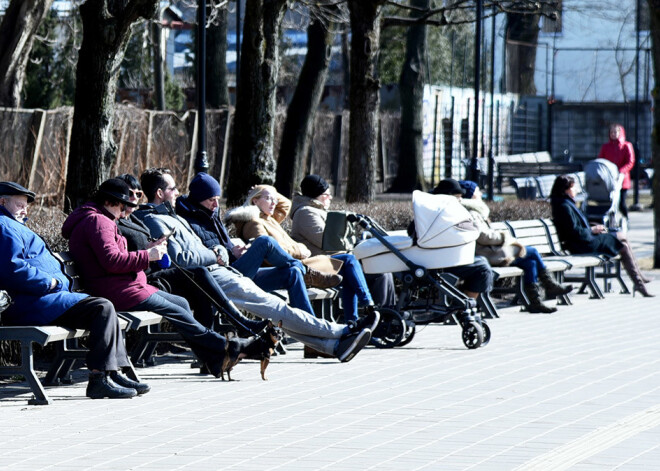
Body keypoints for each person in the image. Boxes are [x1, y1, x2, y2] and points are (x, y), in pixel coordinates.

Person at [133, 168, 377, 362]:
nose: (178, 192)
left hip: (221, 272)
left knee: (275, 309)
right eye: (172, 188)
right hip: (212, 278)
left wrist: (219, 253)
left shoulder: (172, 215)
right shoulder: (157, 221)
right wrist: (216, 254)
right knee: (276, 308)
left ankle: (333, 346)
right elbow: (182, 261)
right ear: (159, 193)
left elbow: (199, 250)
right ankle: (341, 332)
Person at [62, 178, 241, 378]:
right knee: (176, 309)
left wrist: (147, 251)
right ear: (110, 202)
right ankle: (222, 345)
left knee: (181, 303)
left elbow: (112, 256)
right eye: (122, 206)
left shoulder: (99, 218)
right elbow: (112, 261)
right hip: (118, 291)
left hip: (125, 285)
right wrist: (148, 256)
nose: (123, 213)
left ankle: (215, 361)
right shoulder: (99, 222)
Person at [0, 181, 148, 399]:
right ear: (2, 202)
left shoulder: (12, 224)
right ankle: (99, 379)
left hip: (46, 300)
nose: (25, 209)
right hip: (31, 303)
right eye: (20, 204)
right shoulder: (4, 226)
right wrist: (50, 283)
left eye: (26, 205)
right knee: (102, 307)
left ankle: (113, 372)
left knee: (104, 308)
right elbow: (13, 269)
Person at [115, 173, 267, 338]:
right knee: (200, 277)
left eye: (138, 194)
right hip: (147, 280)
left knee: (200, 280)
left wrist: (217, 251)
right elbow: (177, 259)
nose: (134, 198)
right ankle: (223, 337)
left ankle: (214, 348)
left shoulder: (144, 219)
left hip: (157, 275)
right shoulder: (147, 219)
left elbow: (198, 246)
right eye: (130, 194)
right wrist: (214, 254)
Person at [175, 173, 340, 318]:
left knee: (293, 272)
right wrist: (227, 252)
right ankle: (308, 273)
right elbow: (203, 254)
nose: (216, 205)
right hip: (222, 277)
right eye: (212, 200)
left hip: (234, 268)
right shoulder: (189, 222)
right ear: (198, 199)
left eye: (218, 199)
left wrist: (233, 249)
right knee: (265, 242)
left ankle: (312, 332)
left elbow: (286, 205)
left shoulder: (211, 214)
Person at [225, 184, 379, 325]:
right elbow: (270, 253)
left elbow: (286, 205)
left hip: (299, 262)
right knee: (348, 261)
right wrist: (300, 249)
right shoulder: (255, 223)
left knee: (347, 267)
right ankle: (365, 307)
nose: (274, 202)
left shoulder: (269, 218)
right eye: (268, 199)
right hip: (291, 265)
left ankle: (354, 319)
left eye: (274, 199)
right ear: (255, 201)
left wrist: (268, 190)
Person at [456, 180, 572, 313]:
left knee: (530, 263)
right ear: (471, 194)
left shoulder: (476, 210)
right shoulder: (472, 212)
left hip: (492, 252)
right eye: (477, 191)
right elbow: (483, 236)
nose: (481, 193)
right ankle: (549, 285)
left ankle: (535, 302)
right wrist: (504, 237)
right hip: (487, 254)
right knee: (532, 251)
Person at [290, 174, 397, 308]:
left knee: (383, 269)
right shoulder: (306, 213)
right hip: (324, 265)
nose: (330, 197)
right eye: (327, 194)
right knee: (380, 273)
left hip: (335, 261)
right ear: (317, 195)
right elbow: (327, 243)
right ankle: (381, 314)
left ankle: (387, 314)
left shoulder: (316, 211)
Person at [550, 174, 652, 297]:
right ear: (565, 190)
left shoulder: (565, 203)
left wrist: (593, 229)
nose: (576, 189)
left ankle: (639, 281)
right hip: (583, 244)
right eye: (573, 187)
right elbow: (574, 232)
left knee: (622, 240)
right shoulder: (564, 206)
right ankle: (639, 281)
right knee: (622, 242)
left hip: (584, 241)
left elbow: (577, 228)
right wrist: (592, 230)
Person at [429, 179, 494, 300]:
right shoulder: (437, 213)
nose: (460, 200)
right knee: (482, 269)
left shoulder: (453, 212)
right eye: (457, 197)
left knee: (482, 262)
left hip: (451, 258)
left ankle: (466, 306)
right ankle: (465, 308)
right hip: (441, 262)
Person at [598, 123, 635, 219]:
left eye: (615, 132)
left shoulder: (626, 146)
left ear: (620, 133)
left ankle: (626, 219)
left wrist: (621, 171)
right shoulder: (606, 147)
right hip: (609, 179)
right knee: (609, 203)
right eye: (611, 132)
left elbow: (630, 161)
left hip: (622, 179)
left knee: (621, 203)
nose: (613, 134)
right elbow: (601, 161)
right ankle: (611, 222)